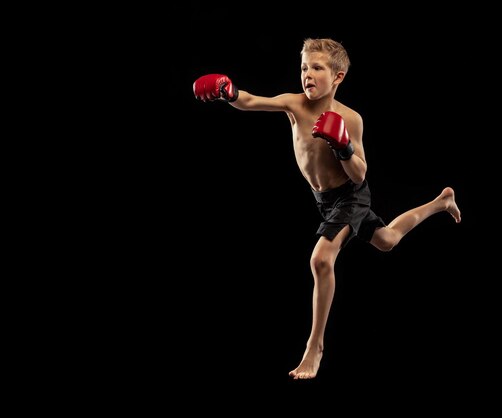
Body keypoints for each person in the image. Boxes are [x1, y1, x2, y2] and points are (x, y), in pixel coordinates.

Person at [192, 38, 461, 380]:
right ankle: (442, 201)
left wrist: (343, 145)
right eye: (304, 67)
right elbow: (250, 100)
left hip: (351, 195)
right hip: (325, 200)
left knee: (321, 259)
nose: (308, 74)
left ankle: (314, 348)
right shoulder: (294, 104)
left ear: (338, 77)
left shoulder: (350, 118)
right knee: (387, 239)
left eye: (317, 68)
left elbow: (361, 172)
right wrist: (228, 93)